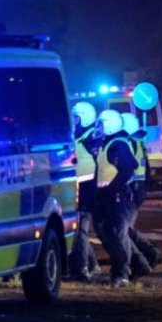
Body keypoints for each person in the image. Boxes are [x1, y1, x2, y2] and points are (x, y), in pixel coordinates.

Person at [95, 109, 137, 288]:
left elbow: (129, 167)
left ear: (110, 126)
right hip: (107, 197)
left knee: (117, 236)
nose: (98, 127)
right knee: (106, 232)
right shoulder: (108, 143)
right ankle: (123, 270)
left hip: (117, 198)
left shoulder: (117, 145)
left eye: (101, 124)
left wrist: (113, 187)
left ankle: (122, 274)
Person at [121, 113, 162, 274]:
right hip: (137, 189)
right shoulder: (138, 143)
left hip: (132, 189)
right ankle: (151, 254)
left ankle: (148, 257)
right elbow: (145, 172)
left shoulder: (129, 144)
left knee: (124, 230)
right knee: (126, 229)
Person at [68, 101, 102, 282]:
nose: (73, 121)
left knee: (80, 231)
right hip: (79, 189)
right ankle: (93, 265)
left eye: (76, 118)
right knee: (78, 231)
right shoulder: (80, 136)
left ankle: (81, 270)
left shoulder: (92, 137)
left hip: (88, 191)